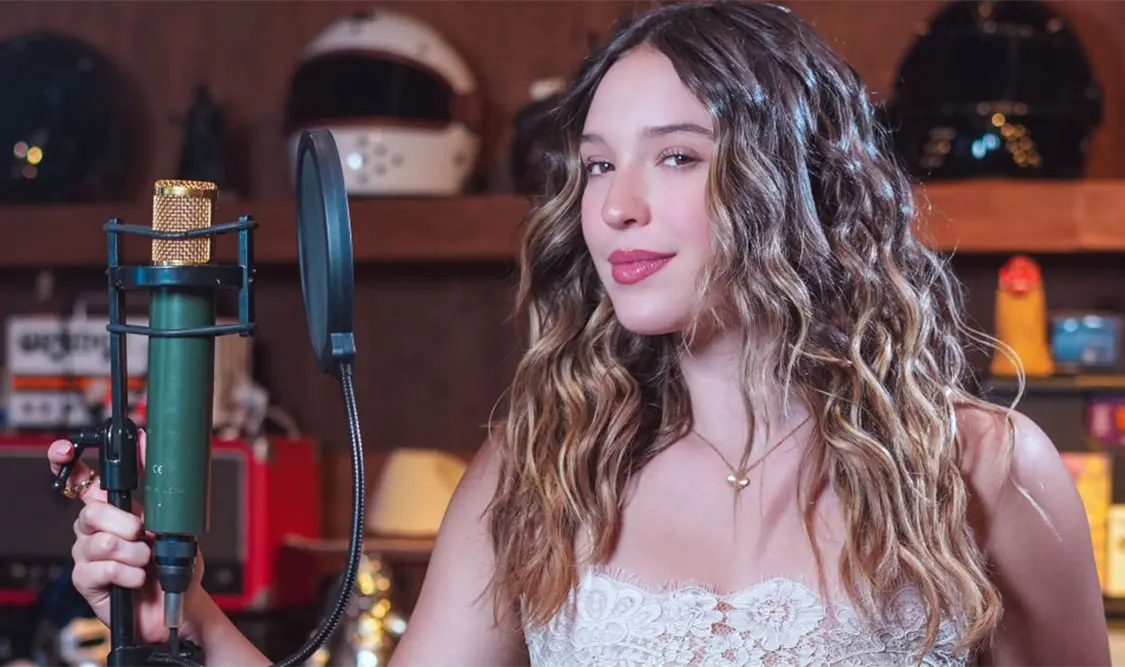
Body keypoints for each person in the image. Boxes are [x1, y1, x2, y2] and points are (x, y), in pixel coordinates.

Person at [49, 1, 1110, 665]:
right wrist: (187, 616)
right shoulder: (542, 471)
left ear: (802, 184)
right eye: (599, 164)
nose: (616, 206)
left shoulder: (982, 470)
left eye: (677, 156)